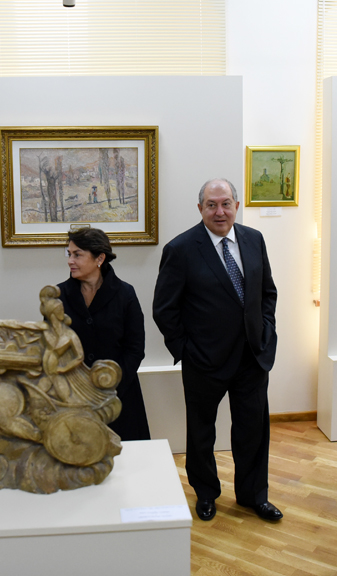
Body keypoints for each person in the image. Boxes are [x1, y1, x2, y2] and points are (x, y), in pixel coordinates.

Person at [153, 179, 279, 522]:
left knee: (253, 432)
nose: (219, 211)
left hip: (252, 357)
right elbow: (164, 309)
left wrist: (266, 331)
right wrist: (185, 350)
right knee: (201, 433)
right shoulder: (181, 249)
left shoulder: (254, 239)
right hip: (204, 361)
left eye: (225, 204)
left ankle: (253, 496)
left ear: (237, 205)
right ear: (200, 209)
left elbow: (267, 293)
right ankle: (206, 493)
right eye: (211, 205)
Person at [57, 227, 151, 441]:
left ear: (99, 258)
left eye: (77, 255)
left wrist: (111, 386)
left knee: (126, 457)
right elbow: (52, 347)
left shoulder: (125, 294)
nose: (70, 261)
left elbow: (135, 349)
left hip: (119, 396)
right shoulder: (59, 296)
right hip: (73, 398)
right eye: (69, 254)